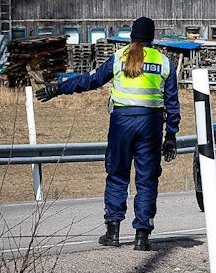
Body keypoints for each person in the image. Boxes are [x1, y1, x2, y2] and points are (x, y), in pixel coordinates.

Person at [36, 17, 180, 251]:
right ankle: (142, 236)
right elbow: (172, 103)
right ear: (153, 37)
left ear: (132, 35)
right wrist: (171, 135)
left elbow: (90, 80)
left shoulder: (119, 57)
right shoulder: (164, 62)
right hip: (151, 125)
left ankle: (112, 232)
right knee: (146, 179)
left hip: (121, 123)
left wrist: (59, 88)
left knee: (117, 175)